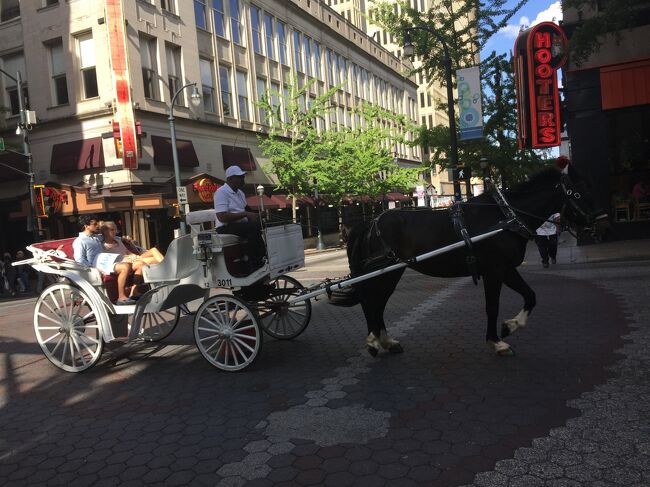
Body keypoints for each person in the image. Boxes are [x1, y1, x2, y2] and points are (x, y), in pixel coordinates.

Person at [72, 214, 139, 305]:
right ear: (86, 226)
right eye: (94, 224)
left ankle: (134, 291)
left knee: (135, 264)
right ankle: (121, 297)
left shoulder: (97, 237)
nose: (97, 226)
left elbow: (113, 237)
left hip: (106, 262)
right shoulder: (80, 241)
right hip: (96, 266)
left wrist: (123, 239)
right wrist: (92, 268)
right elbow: (79, 259)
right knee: (125, 267)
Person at [214, 165, 266, 271]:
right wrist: (246, 214)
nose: (243, 179)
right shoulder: (221, 192)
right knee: (252, 227)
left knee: (263, 223)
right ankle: (253, 261)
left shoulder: (240, 193)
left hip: (240, 225)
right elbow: (222, 217)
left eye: (243, 177)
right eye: (239, 177)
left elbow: (247, 210)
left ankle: (261, 256)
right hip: (225, 227)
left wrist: (258, 215)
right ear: (230, 179)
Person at [98, 221, 164, 273]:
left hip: (132, 258)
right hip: (125, 263)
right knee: (153, 260)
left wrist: (135, 256)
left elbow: (128, 252)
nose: (115, 232)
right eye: (112, 230)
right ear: (105, 231)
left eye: (115, 230)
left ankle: (167, 265)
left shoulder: (118, 240)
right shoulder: (102, 245)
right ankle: (168, 267)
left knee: (154, 250)